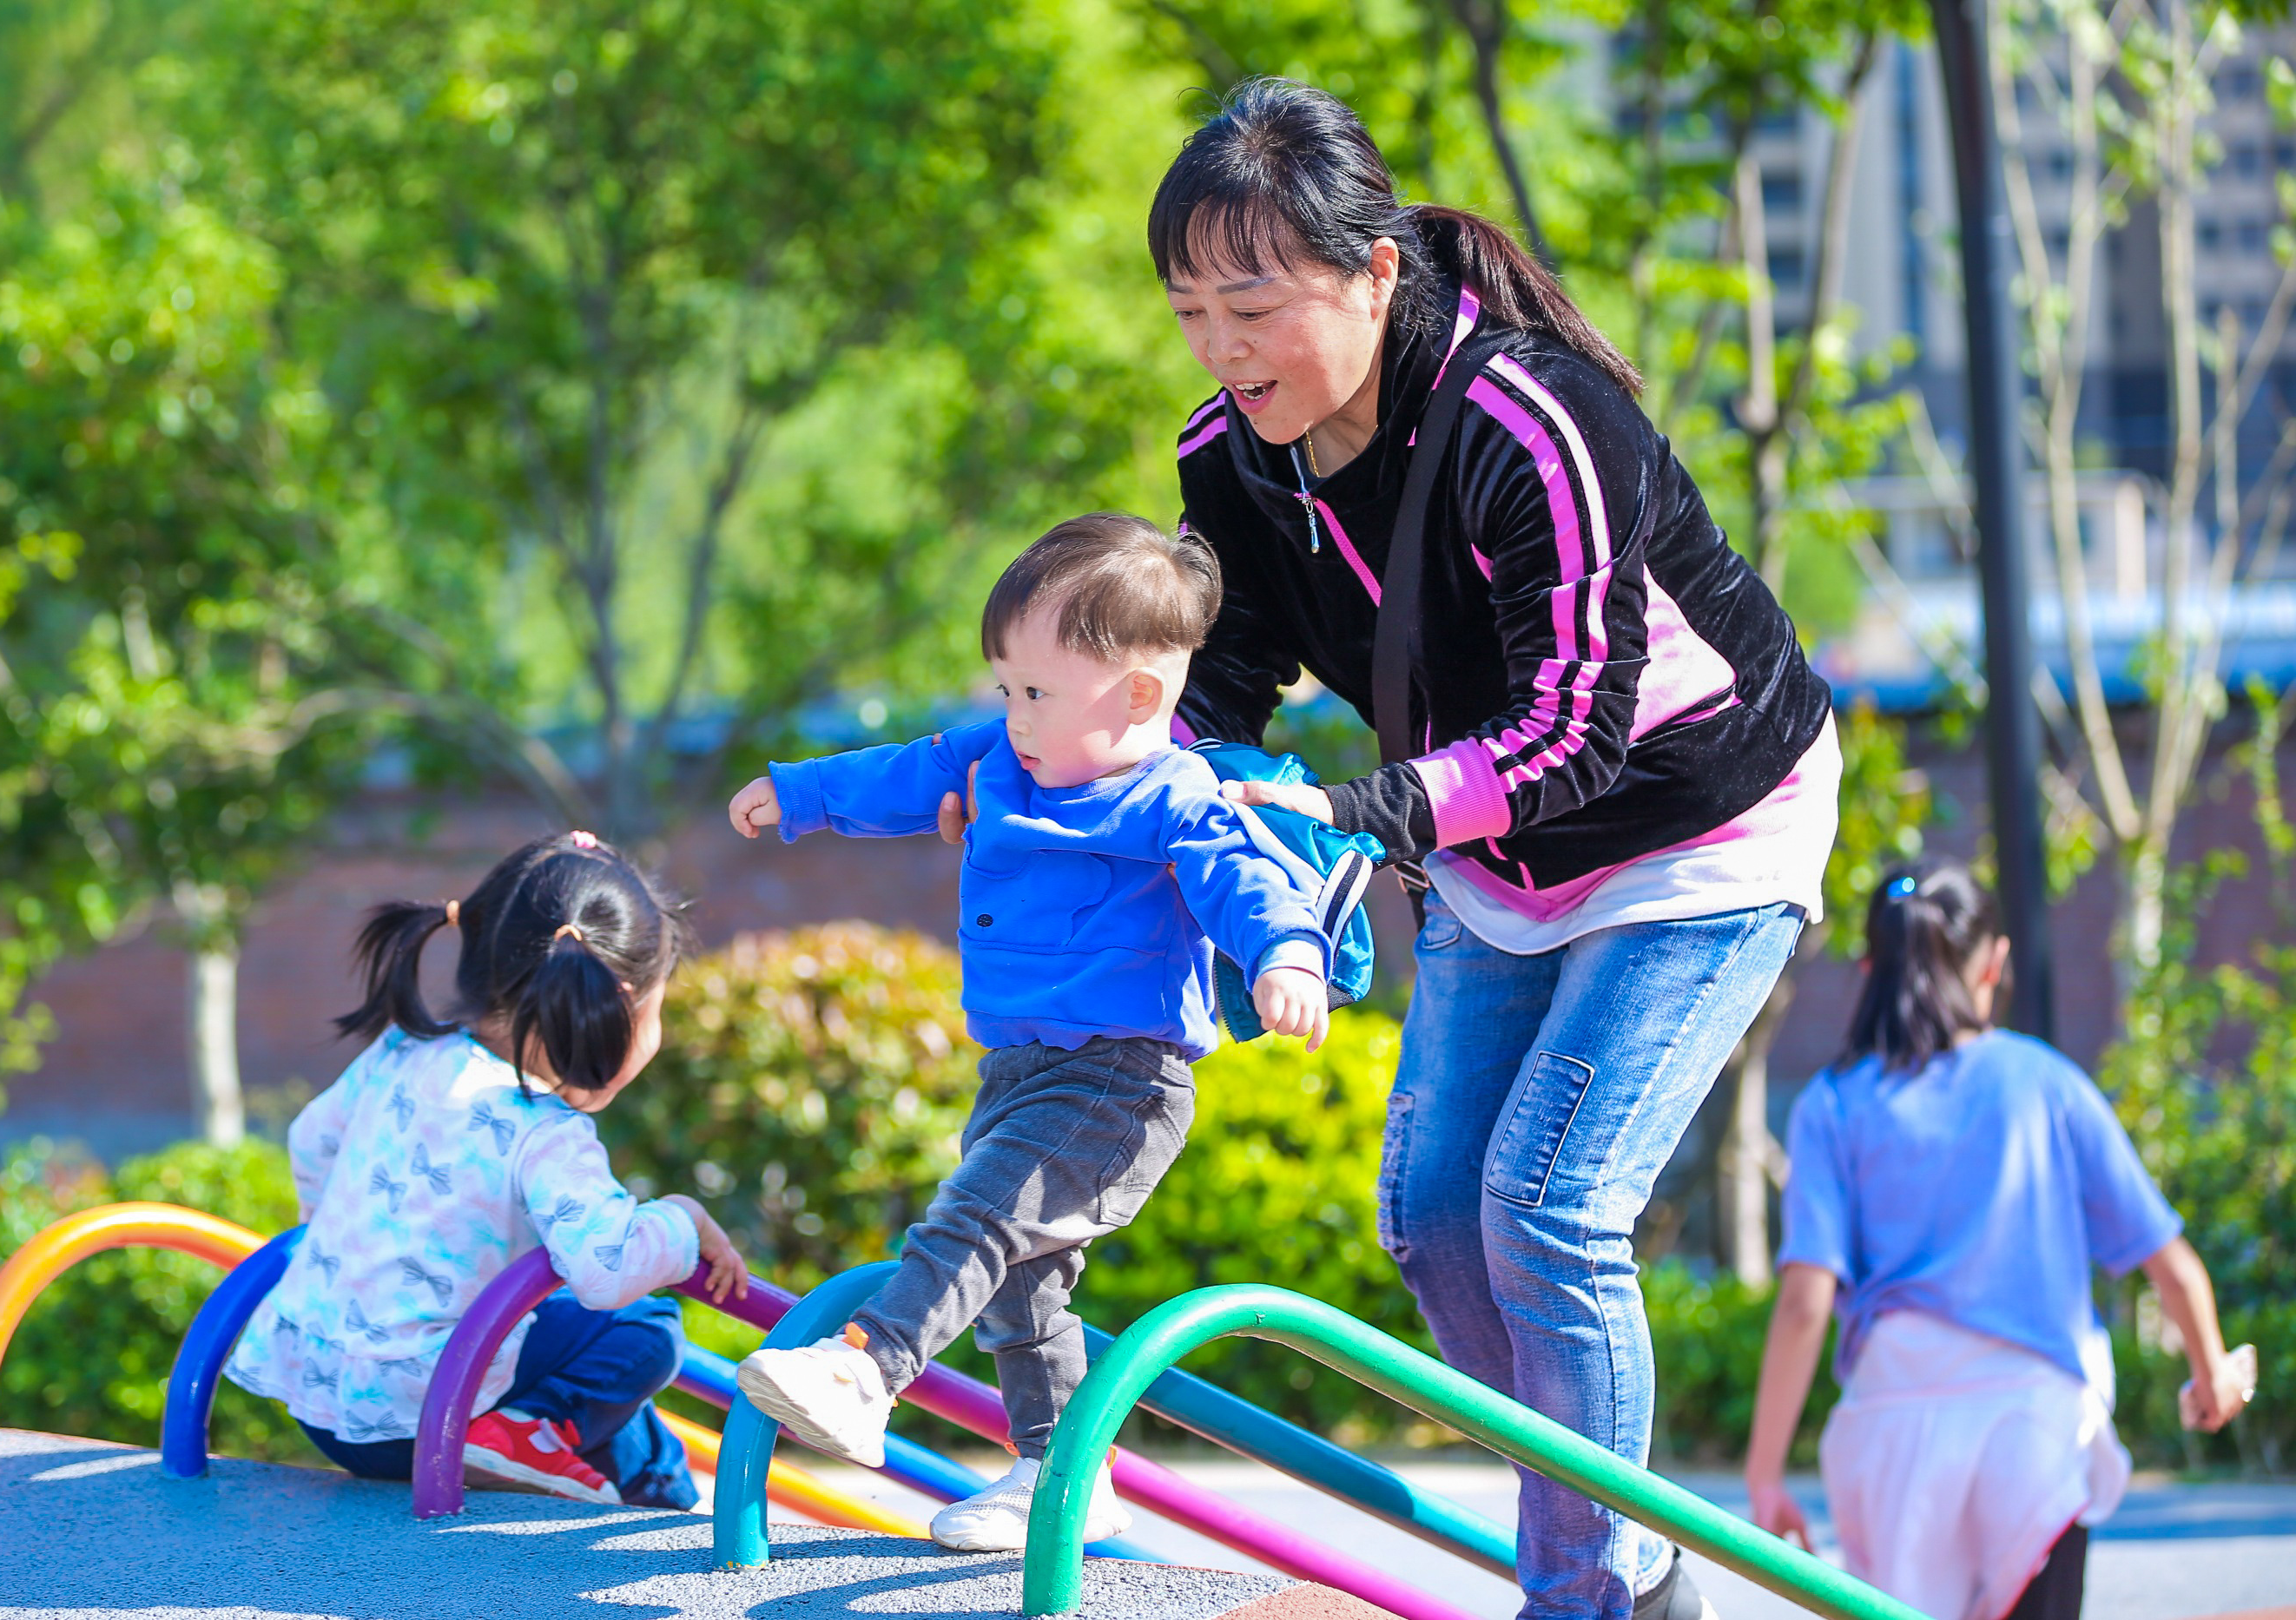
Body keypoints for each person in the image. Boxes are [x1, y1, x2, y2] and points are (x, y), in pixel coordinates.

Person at [1059, 77, 1840, 1620]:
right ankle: (1628, 1542)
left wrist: (1359, 816)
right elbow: (1227, 676)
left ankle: (1586, 1592)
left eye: (1254, 305)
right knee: (1429, 1217)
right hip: (1498, 851)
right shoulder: (1230, 455)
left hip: (1701, 823)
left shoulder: (1528, 419)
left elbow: (1581, 729)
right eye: (1192, 310)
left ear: (1373, 272)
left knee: (1546, 1206)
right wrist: (1112, 772)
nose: (1222, 348)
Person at [724, 511, 1336, 1552]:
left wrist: (1286, 955)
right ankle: (1059, 1470)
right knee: (1018, 1288)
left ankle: (866, 1367)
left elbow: (1248, 877)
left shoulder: (1174, 798)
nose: (1012, 716)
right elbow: (909, 771)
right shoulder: (1001, 762)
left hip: (1120, 1084)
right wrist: (798, 795)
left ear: (1140, 697)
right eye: (1005, 688)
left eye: (1037, 695)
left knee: (976, 1215)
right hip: (1018, 1069)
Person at [1745, 865, 2250, 1620]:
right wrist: (2212, 1374)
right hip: (2035, 1423)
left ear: (1869, 971)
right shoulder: (2045, 1082)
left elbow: (1804, 1304)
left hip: (1893, 1432)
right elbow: (2170, 1265)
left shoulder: (1831, 1102)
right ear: (1996, 962)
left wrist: (1764, 1473)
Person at [227, 832, 749, 1506]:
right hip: (428, 1409)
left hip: (326, 1395)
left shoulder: (403, 1052)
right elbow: (607, 1270)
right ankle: (547, 1454)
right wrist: (683, 1219)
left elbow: (310, 1140)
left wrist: (341, 1247)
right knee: (646, 1330)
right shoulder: (544, 1129)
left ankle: (647, 1495)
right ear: (618, 1004)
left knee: (610, 1407)